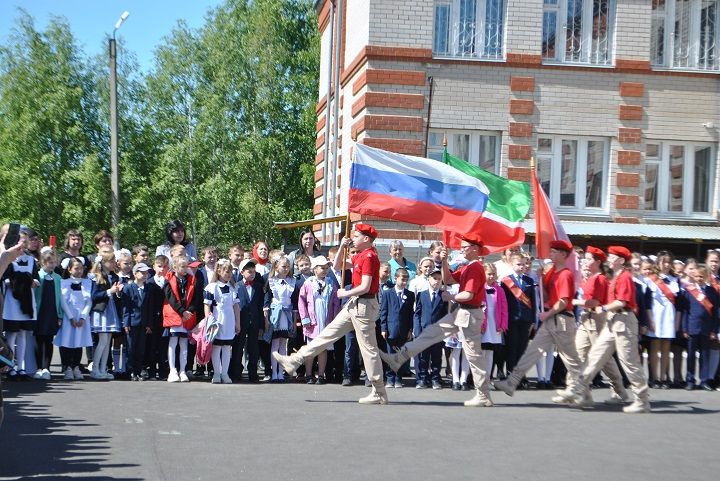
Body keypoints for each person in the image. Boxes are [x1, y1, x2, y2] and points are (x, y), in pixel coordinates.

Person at [274, 223, 388, 404]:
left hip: (364, 305)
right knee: (327, 334)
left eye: (356, 236)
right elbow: (336, 265)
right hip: (355, 304)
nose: (353, 239)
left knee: (368, 350)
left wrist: (345, 293)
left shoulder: (369, 256)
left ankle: (379, 391)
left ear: (366, 239)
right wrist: (343, 246)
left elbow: (366, 286)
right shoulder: (360, 255)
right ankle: (295, 360)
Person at [381, 232, 494, 407]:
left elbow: (468, 294)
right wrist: (445, 261)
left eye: (465, 247)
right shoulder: (467, 266)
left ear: (475, 249)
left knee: (473, 355)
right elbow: (448, 278)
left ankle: (483, 394)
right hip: (463, 312)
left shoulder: (475, 267)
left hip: (470, 313)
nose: (462, 249)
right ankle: (397, 358)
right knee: (430, 334)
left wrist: (451, 296)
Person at [494, 240, 583, 404]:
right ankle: (511, 382)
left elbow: (563, 301)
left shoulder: (565, 274)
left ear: (563, 255)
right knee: (532, 351)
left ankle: (579, 389)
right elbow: (546, 296)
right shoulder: (553, 273)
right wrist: (542, 279)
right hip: (551, 319)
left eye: (554, 252)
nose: (550, 254)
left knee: (570, 358)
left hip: (561, 318)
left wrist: (547, 313)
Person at [564, 246, 651, 413]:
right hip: (613, 320)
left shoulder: (625, 277)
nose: (609, 259)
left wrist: (603, 309)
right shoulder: (614, 276)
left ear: (621, 261)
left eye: (612, 257)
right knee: (596, 355)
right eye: (609, 256)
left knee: (629, 362)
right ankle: (578, 388)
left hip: (624, 319)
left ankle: (642, 400)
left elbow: (622, 302)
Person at [572, 246, 630, 405]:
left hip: (596, 318)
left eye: (589, 259)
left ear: (597, 262)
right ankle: (584, 393)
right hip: (586, 318)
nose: (585, 261)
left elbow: (595, 302)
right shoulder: (590, 277)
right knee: (578, 354)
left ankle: (619, 391)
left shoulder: (600, 278)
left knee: (604, 358)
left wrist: (574, 302)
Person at [3, 229, 40, 380]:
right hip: (12, 302)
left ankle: (21, 367)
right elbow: (5, 279)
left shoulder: (31, 260)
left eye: (25, 241)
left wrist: (30, 283)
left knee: (23, 334)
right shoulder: (8, 259)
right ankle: (10, 366)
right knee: (11, 335)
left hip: (27, 302)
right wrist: (17, 282)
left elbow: (37, 280)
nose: (23, 244)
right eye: (20, 241)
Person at [298, 256, 340, 384]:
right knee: (311, 347)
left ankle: (321, 375)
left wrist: (335, 319)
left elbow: (335, 302)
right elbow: (302, 301)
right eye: (322, 268)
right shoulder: (308, 283)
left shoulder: (331, 283)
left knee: (323, 348)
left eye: (327, 268)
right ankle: (309, 374)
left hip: (326, 319)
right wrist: (305, 318)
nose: (325, 270)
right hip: (312, 320)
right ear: (315, 269)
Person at [163, 256, 203, 383]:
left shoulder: (192, 280)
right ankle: (172, 370)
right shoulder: (169, 279)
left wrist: (189, 311)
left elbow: (196, 298)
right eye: (183, 266)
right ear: (175, 267)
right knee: (173, 343)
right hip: (175, 315)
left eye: (187, 266)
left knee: (184, 344)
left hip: (188, 316)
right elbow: (171, 298)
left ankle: (182, 370)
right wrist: (182, 311)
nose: (186, 269)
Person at [679, 266, 719, 391]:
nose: (699, 278)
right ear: (693, 277)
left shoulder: (712, 291)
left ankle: (704, 381)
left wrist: (714, 330)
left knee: (705, 356)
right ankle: (690, 380)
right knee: (690, 355)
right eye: (697, 276)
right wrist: (685, 329)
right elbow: (685, 311)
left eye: (701, 276)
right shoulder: (689, 291)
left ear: (706, 277)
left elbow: (716, 312)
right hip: (692, 328)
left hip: (707, 329)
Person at [500, 252, 537, 387]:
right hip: (512, 319)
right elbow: (503, 303)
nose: (522, 267)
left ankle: (521, 376)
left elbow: (533, 301)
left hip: (526, 320)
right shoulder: (505, 281)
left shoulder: (529, 281)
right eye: (518, 264)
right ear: (511, 264)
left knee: (522, 349)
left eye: (523, 264)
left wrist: (533, 320)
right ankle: (511, 375)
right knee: (512, 348)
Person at [644, 251, 680, 388]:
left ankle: (664, 377)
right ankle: (655, 378)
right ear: (658, 263)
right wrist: (650, 320)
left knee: (666, 347)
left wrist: (677, 321)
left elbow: (680, 305)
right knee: (654, 347)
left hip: (669, 316)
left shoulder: (675, 280)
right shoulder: (651, 279)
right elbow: (647, 303)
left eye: (669, 262)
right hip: (656, 316)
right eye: (663, 261)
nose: (666, 264)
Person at [54, 257, 93, 380]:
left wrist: (83, 317)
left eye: (81, 268)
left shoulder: (87, 282)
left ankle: (76, 366)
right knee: (67, 342)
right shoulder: (64, 282)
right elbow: (63, 301)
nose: (79, 271)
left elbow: (89, 302)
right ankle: (67, 367)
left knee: (78, 343)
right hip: (68, 317)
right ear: (69, 269)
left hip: (82, 317)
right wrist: (70, 317)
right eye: (76, 268)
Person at [204, 260, 241, 384]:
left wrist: (238, 322)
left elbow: (236, 306)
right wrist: (208, 321)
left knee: (226, 348)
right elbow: (207, 305)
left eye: (230, 271)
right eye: (226, 271)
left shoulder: (233, 288)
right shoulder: (212, 287)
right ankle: (216, 373)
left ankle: (225, 373)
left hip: (229, 321)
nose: (229, 274)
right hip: (217, 321)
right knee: (216, 347)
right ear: (219, 271)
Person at [89, 251, 123, 380]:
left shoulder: (114, 277)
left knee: (108, 341)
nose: (115, 263)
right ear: (104, 262)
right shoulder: (96, 277)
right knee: (102, 341)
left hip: (111, 310)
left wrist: (118, 292)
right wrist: (110, 291)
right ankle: (95, 369)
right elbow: (94, 296)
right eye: (113, 260)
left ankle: (103, 369)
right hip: (101, 312)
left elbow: (117, 296)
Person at [263, 256, 297, 382]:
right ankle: (274, 373)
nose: (286, 269)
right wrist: (266, 319)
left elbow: (294, 303)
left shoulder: (292, 281)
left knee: (283, 344)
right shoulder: (271, 280)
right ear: (276, 267)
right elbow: (266, 302)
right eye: (283, 266)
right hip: (275, 314)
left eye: (288, 267)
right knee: (275, 343)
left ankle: (281, 372)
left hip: (286, 315)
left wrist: (293, 320)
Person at [230, 258, 265, 382]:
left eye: (253, 271)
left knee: (253, 348)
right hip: (240, 321)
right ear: (242, 273)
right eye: (249, 271)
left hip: (254, 322)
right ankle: (236, 372)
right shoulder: (236, 286)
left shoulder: (259, 287)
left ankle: (253, 373)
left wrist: (261, 325)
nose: (252, 273)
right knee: (238, 347)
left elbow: (261, 307)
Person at [413, 268, 448, 389]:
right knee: (423, 357)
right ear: (428, 279)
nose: (437, 281)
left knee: (436, 356)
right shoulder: (422, 294)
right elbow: (417, 313)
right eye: (434, 278)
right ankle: (422, 378)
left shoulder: (443, 296)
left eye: (439, 279)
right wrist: (417, 330)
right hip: (424, 331)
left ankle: (435, 378)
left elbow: (446, 314)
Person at [380, 267, 415, 388]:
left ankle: (398, 378)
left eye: (406, 279)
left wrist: (410, 329)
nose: (404, 281)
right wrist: (383, 328)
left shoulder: (410, 295)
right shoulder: (387, 293)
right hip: (391, 329)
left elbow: (411, 313)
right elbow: (383, 311)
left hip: (404, 330)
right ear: (395, 279)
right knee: (390, 354)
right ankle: (390, 378)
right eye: (402, 279)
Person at [33, 249, 63, 380]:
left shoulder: (58, 278)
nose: (52, 265)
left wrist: (60, 314)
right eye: (50, 262)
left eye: (54, 262)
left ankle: (46, 367)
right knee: (39, 340)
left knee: (49, 340)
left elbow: (60, 298)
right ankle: (38, 367)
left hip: (52, 313)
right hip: (40, 312)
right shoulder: (38, 276)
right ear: (43, 262)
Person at [122, 263, 153, 381]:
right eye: (142, 273)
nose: (145, 275)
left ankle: (138, 370)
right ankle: (130, 371)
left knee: (141, 348)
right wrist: (126, 323)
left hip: (144, 323)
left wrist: (149, 324)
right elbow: (126, 307)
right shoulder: (128, 288)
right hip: (132, 322)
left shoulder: (148, 288)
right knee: (130, 348)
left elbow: (149, 308)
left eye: (146, 273)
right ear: (135, 274)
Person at [144, 255, 169, 380]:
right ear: (154, 267)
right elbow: (147, 305)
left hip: (165, 319)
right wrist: (148, 323)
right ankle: (152, 371)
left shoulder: (169, 282)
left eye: (165, 267)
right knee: (152, 346)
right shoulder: (149, 283)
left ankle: (164, 372)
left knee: (164, 346)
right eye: (159, 267)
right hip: (153, 319)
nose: (162, 269)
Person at [482, 263, 508, 381]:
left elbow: (504, 309)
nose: (491, 276)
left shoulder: (500, 290)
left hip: (495, 323)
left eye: (493, 274)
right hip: (484, 323)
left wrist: (503, 325)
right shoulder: (480, 288)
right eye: (489, 274)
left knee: (491, 351)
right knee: (482, 351)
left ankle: (488, 376)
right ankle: (479, 376)